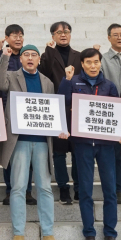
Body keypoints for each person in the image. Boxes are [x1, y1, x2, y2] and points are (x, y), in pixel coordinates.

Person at [0, 44, 65, 240]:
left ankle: (48, 233)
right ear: (21, 59)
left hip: (42, 142)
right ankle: (18, 234)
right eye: (27, 55)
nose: (31, 58)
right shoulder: (12, 76)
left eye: (34, 55)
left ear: (39, 60)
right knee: (18, 187)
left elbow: (52, 110)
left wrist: (60, 127)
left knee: (44, 188)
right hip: (19, 141)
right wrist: (4, 58)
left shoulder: (47, 82)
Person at [58, 48, 121, 240]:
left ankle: (110, 233)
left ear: (100, 63)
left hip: (106, 145)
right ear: (82, 64)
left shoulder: (109, 86)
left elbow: (116, 113)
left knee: (110, 191)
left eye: (96, 62)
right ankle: (89, 233)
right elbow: (63, 102)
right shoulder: (75, 81)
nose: (93, 66)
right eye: (89, 62)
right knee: (85, 190)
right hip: (83, 144)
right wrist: (66, 81)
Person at [0, 24, 34, 206]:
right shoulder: (2, 55)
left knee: (28, 153)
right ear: (6, 38)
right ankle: (10, 190)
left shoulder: (27, 56)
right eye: (14, 35)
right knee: (8, 153)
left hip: (26, 112)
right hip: (6, 111)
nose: (18, 38)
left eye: (21, 35)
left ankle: (28, 191)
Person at [39, 21, 82, 204]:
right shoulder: (47, 55)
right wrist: (49, 52)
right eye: (58, 32)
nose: (63, 34)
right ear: (53, 36)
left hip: (76, 108)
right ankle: (63, 187)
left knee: (78, 150)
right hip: (56, 108)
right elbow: (44, 73)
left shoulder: (79, 56)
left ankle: (79, 186)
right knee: (59, 152)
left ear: (70, 34)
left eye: (66, 31)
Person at [96, 23, 121, 204]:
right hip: (112, 112)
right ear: (108, 38)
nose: (119, 37)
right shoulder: (102, 60)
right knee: (115, 153)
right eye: (115, 35)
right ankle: (118, 189)